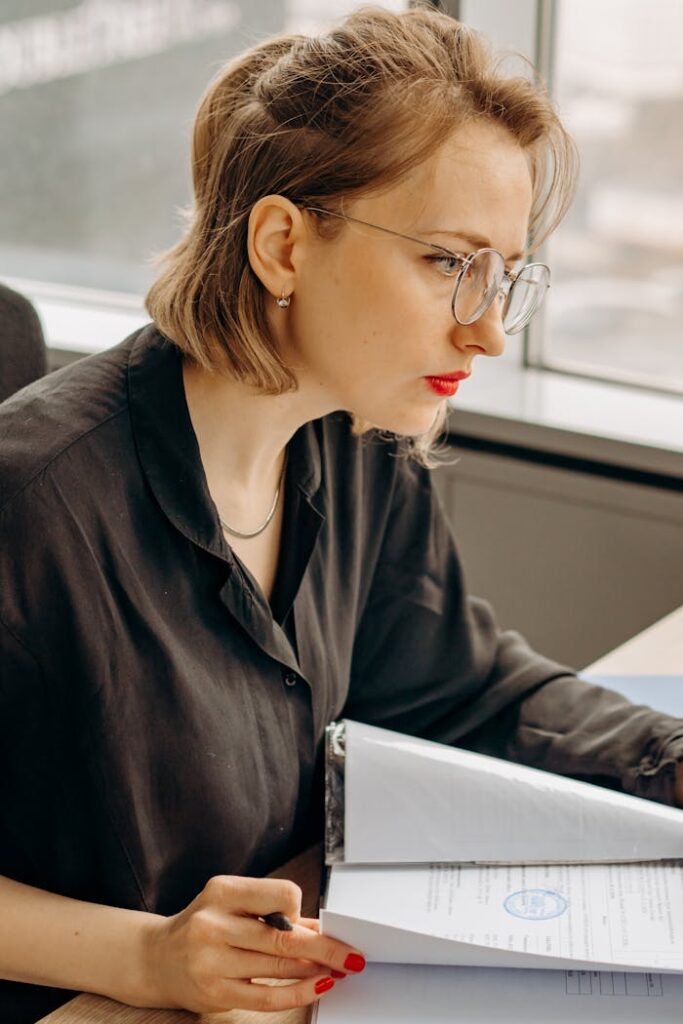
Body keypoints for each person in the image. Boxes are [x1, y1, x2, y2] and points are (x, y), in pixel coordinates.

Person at [1, 6, 682, 1022]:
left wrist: (668, 759)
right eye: (447, 263)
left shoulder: (357, 440)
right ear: (282, 245)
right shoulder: (34, 504)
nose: (488, 333)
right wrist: (146, 955)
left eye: (503, 277)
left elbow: (458, 688)